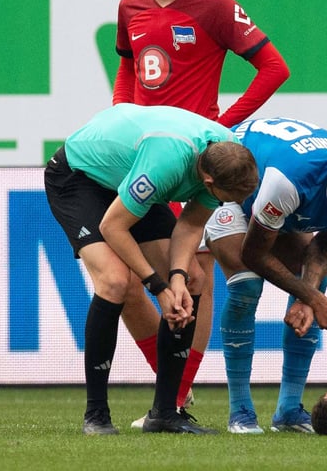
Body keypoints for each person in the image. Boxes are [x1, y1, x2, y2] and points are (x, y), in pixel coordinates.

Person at [112, 0, 290, 422]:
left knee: (195, 279)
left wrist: (221, 128)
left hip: (197, 168)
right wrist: (121, 117)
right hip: (145, 159)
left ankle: (173, 396)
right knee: (124, 282)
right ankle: (173, 390)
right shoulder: (131, 7)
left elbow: (274, 67)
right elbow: (128, 66)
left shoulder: (214, 6)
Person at [44, 104, 259, 435]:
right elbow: (114, 226)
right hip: (79, 178)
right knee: (115, 281)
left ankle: (164, 413)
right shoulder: (165, 164)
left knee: (195, 279)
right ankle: (96, 414)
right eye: (226, 198)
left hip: (125, 172)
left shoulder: (229, 154)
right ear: (207, 180)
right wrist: (159, 287)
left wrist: (177, 280)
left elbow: (190, 226)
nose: (229, 204)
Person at [204, 117, 327, 434]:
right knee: (247, 286)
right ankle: (240, 410)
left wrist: (308, 298)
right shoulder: (290, 180)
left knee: (316, 281)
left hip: (273, 206)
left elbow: (323, 248)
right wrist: (313, 299)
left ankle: (289, 412)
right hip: (230, 195)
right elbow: (253, 253)